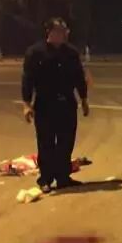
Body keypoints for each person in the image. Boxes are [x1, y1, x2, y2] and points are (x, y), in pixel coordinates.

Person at [21, 17, 89, 192]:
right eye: (60, 31)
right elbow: (28, 79)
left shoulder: (71, 53)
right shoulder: (35, 53)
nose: (64, 34)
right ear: (49, 32)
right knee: (46, 143)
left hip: (67, 103)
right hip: (45, 104)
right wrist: (27, 104)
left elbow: (79, 77)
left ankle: (63, 177)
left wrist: (84, 99)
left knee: (66, 142)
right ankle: (45, 179)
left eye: (65, 31)